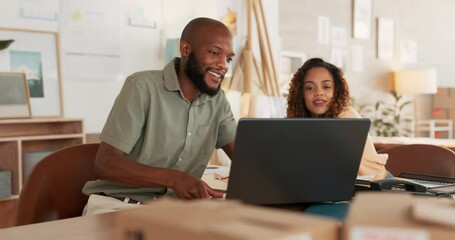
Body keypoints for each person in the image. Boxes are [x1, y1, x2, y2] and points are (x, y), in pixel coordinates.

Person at [82, 17, 237, 214]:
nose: (223, 65)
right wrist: (174, 178)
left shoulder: (218, 101)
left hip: (172, 212)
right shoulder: (141, 87)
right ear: (185, 49)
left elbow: (247, 159)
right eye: (214, 53)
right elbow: (105, 164)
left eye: (229, 59)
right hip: (119, 205)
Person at [286, 58, 388, 180]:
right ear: (300, 93)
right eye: (309, 88)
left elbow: (329, 166)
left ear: (336, 91)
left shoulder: (346, 115)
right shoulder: (299, 121)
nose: (319, 92)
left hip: (377, 184)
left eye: (326, 86)